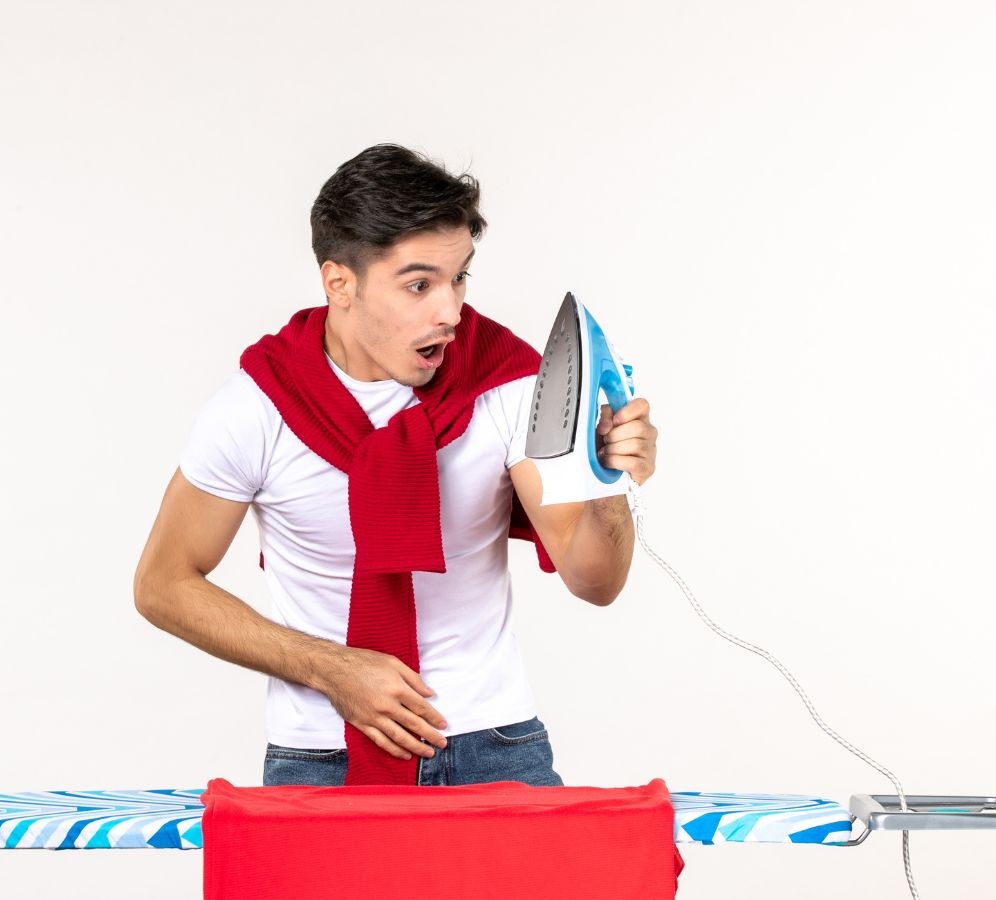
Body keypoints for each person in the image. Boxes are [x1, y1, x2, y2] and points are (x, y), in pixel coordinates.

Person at [132, 144, 658, 788]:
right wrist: (331, 669)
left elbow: (595, 581)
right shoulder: (258, 407)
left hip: (493, 742)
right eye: (419, 285)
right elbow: (162, 584)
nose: (450, 311)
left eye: (459, 278)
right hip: (320, 753)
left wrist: (606, 480)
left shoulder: (507, 383)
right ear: (339, 284)